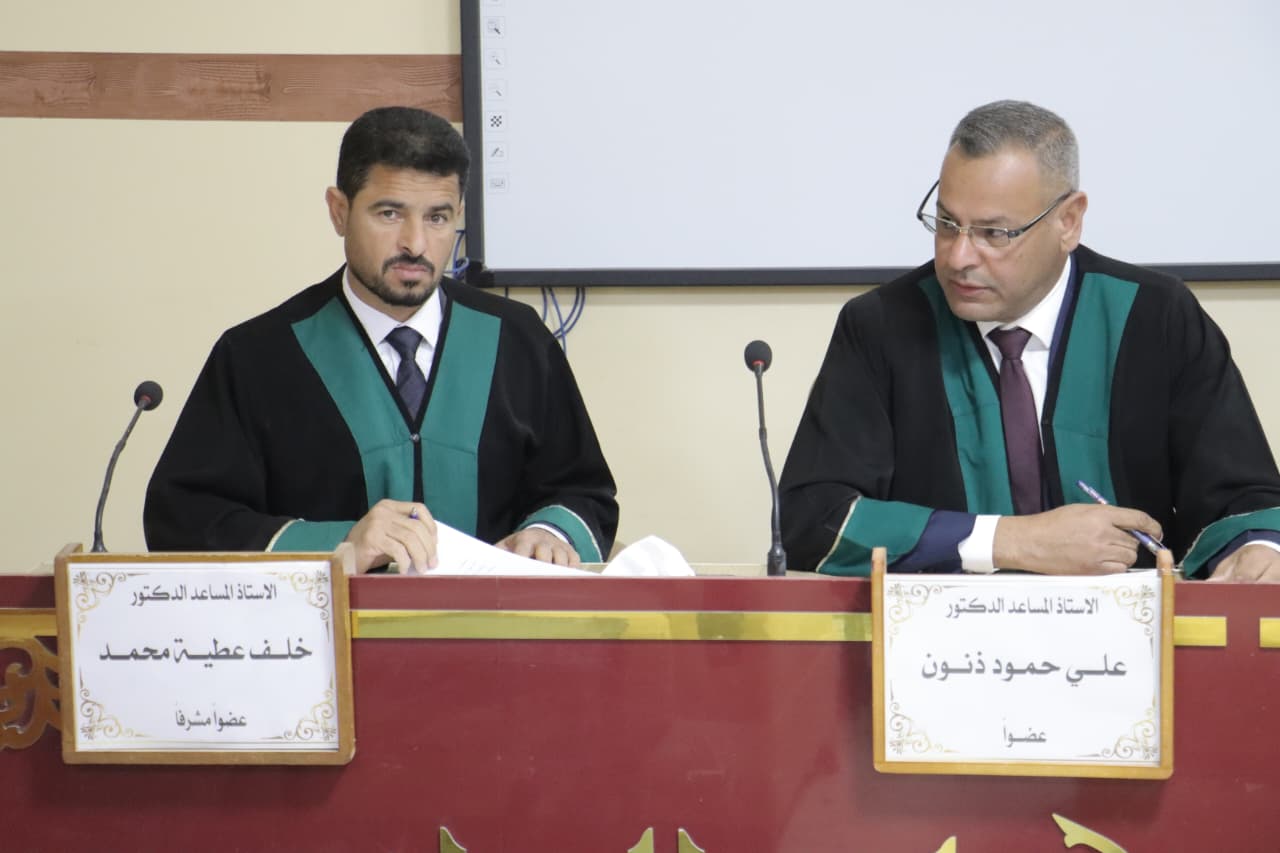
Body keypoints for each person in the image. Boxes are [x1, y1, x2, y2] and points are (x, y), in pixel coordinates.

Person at [779, 100, 1280, 582]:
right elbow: (811, 519)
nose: (958, 258)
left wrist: (1259, 548)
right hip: (943, 634)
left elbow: (1244, 499)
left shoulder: (1155, 318)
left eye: (994, 234)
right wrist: (1013, 540)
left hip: (1130, 631)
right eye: (947, 224)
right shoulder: (881, 327)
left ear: (1068, 222)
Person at [145, 107, 617, 572]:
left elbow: (582, 491)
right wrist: (338, 546)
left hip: (493, 621)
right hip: (332, 623)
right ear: (339, 211)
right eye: (390, 213)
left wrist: (550, 533)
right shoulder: (259, 357)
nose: (415, 243)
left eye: (437, 218)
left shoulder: (517, 341)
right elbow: (185, 519)